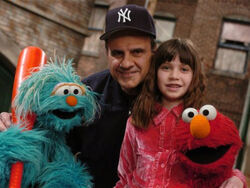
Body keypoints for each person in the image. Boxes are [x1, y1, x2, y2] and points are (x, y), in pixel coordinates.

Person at [0, 4, 246, 188]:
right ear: (106, 53)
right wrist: (14, 128)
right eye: (117, 53)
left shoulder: (179, 101)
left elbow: (213, 153)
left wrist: (235, 177)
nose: (127, 63)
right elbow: (47, 142)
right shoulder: (85, 96)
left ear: (153, 51)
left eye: (137, 52)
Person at [114, 38, 246, 188]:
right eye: (166, 67)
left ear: (194, 76)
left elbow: (222, 167)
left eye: (184, 69)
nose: (174, 76)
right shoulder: (136, 121)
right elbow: (125, 175)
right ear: (155, 72)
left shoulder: (202, 124)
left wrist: (237, 178)